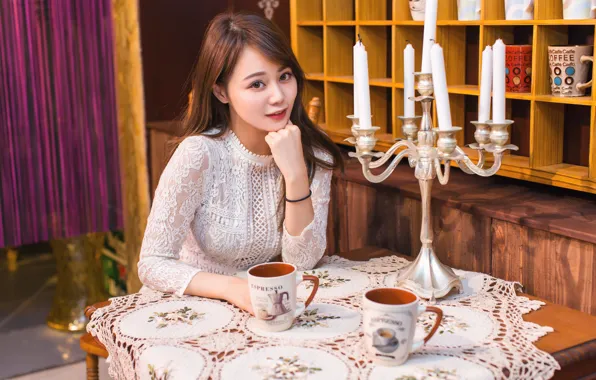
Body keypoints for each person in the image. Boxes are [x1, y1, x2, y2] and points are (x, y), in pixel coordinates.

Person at [137, 12, 343, 315]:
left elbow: (302, 262)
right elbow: (152, 263)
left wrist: (296, 175)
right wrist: (231, 288)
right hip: (193, 304)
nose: (278, 96)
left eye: (284, 76)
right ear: (221, 91)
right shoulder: (200, 154)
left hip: (266, 304)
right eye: (257, 84)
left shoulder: (314, 154)